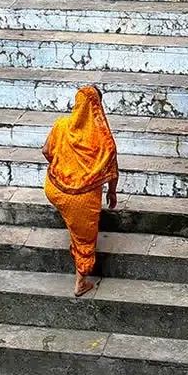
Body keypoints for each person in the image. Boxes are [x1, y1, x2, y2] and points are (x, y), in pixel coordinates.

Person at [42, 85, 119, 297]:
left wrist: (64, 166)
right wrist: (112, 193)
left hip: (54, 188)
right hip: (81, 199)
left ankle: (72, 225)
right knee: (85, 238)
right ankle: (80, 283)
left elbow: (46, 151)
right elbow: (112, 170)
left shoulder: (61, 125)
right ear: (97, 108)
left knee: (73, 220)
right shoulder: (104, 141)